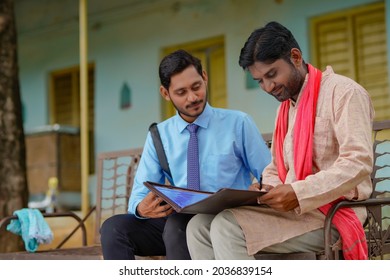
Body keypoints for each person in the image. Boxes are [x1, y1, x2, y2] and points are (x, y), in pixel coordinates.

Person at [186, 21, 374, 260]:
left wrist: (297, 191)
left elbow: (358, 163)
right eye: (260, 81)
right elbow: (276, 167)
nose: (268, 86)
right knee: (198, 226)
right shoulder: (285, 109)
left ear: (295, 57)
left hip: (334, 212)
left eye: (272, 74)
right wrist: (265, 188)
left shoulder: (344, 93)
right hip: (293, 212)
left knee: (227, 227)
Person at [100, 49, 271, 260]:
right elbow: (138, 194)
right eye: (181, 92)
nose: (193, 97)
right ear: (165, 93)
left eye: (196, 87)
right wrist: (141, 208)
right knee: (113, 229)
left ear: (205, 78)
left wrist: (260, 187)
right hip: (176, 220)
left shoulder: (238, 123)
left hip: (224, 220)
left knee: (177, 226)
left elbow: (269, 174)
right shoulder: (159, 135)